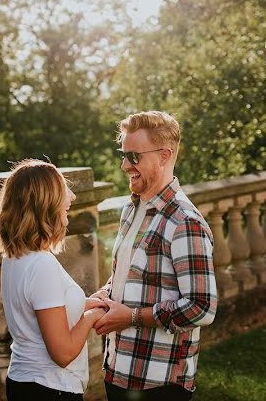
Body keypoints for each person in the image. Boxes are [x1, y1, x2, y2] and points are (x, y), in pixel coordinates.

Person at [92, 111, 217, 400]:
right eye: (123, 155)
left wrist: (133, 318)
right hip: (118, 369)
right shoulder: (131, 209)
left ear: (164, 155)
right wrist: (106, 295)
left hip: (159, 384)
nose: (125, 165)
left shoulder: (186, 222)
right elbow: (130, 277)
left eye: (133, 156)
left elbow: (202, 307)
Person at [0, 159, 109, 401]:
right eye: (63, 190)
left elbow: (41, 312)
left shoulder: (17, 256)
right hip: (49, 388)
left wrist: (88, 303)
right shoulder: (41, 265)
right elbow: (63, 353)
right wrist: (91, 317)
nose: (72, 197)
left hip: (26, 383)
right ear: (45, 204)